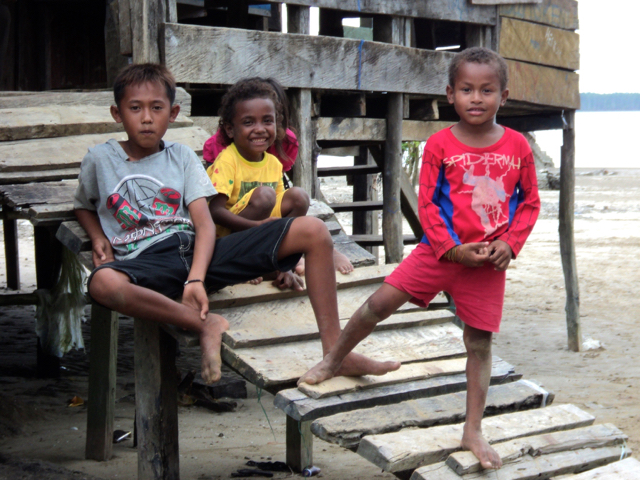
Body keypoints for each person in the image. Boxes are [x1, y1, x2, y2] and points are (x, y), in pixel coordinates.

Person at [73, 63, 397, 386]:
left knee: (314, 230)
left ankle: (335, 353)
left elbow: (204, 223)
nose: (146, 118)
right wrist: (97, 235)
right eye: (135, 108)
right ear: (117, 113)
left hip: (199, 253)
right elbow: (83, 206)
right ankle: (205, 325)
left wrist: (196, 279)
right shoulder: (99, 160)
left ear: (172, 114)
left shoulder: (182, 157)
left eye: (156, 108)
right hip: (146, 263)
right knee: (102, 284)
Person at [298, 47, 541, 471]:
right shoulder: (439, 144)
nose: (477, 98)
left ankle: (473, 429)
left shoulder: (517, 146)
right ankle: (334, 359)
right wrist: (451, 249)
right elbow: (427, 205)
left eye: (488, 90)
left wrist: (510, 244)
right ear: (451, 94)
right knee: (377, 305)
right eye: (467, 89)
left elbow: (529, 204)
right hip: (439, 253)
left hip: (485, 263)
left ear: (504, 96)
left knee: (479, 343)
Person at [206, 77, 354, 280]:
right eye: (248, 122)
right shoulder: (227, 160)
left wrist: (282, 265)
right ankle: (247, 264)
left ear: (277, 123)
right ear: (230, 129)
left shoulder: (273, 164)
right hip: (226, 242)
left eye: (267, 121)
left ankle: (282, 262)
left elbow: (280, 215)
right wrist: (257, 227)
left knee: (298, 196)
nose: (260, 128)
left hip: (258, 236)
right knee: (266, 196)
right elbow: (214, 211)